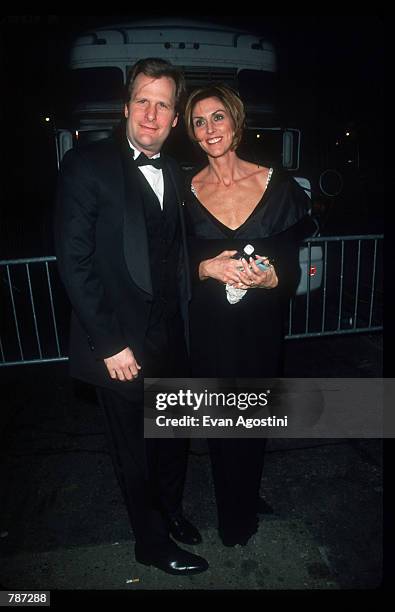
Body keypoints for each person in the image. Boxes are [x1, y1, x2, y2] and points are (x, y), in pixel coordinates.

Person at [54, 58, 208, 575]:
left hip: (171, 336)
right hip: (120, 344)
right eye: (143, 99)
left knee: (172, 440)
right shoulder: (86, 164)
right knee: (136, 452)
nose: (151, 112)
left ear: (174, 117)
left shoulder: (175, 173)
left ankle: (170, 513)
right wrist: (109, 342)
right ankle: (150, 541)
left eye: (163, 104)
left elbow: (172, 254)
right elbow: (73, 262)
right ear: (125, 107)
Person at [183, 84, 316, 546]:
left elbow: (291, 267)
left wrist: (271, 280)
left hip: (260, 327)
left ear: (236, 122)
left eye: (217, 117)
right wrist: (204, 267)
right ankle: (233, 517)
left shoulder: (276, 184)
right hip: (210, 330)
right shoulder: (184, 191)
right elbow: (168, 263)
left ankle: (245, 491)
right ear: (192, 133)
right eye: (199, 121)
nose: (209, 129)